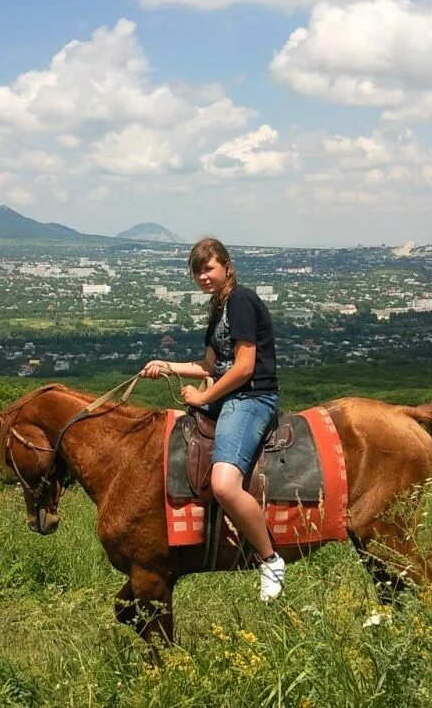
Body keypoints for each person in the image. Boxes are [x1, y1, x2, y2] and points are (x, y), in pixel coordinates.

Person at [141, 238, 284, 601]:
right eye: (197, 271)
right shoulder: (218, 306)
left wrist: (204, 395)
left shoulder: (240, 301)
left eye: (208, 268)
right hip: (228, 395)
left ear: (226, 266)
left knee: (223, 484)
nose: (203, 276)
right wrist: (166, 366)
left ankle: (270, 559)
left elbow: (244, 367)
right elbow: (209, 365)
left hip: (250, 396)